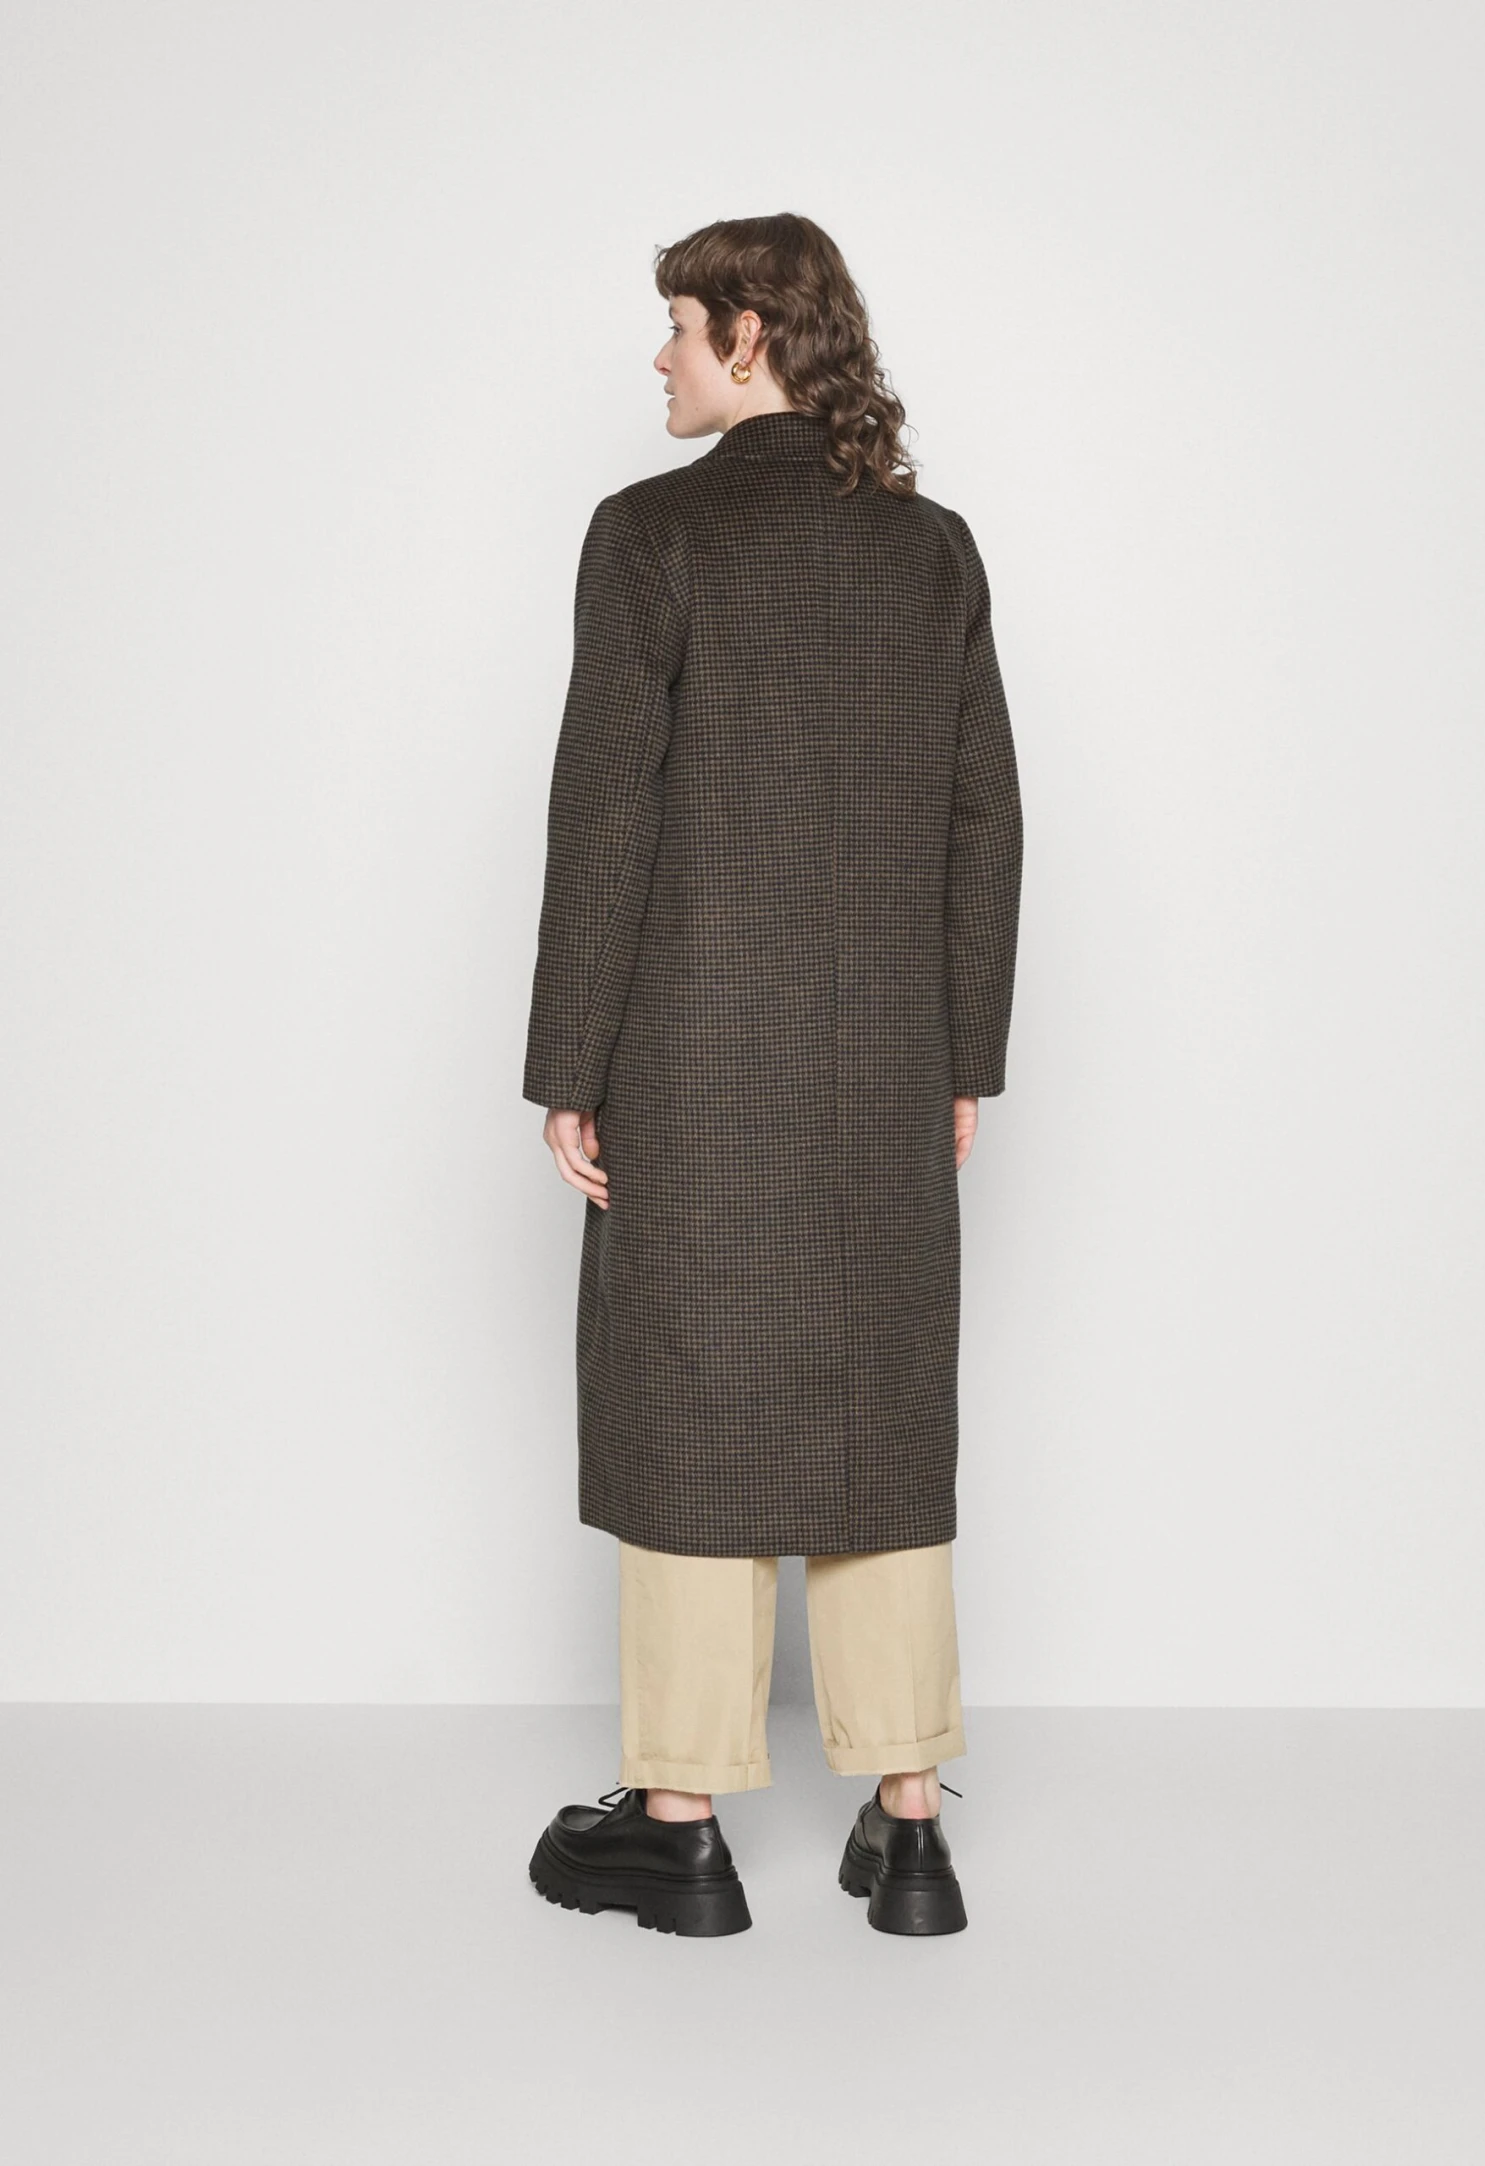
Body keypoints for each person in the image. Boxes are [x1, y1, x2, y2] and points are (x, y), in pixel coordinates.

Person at [520, 212, 1023, 1938]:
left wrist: (569, 1063)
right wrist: (962, 1055)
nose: (658, 357)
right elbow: (985, 817)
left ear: (750, 334)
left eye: (677, 325)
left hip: (691, 1050)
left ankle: (679, 1827)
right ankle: (911, 1822)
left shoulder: (650, 534)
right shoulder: (932, 550)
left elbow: (606, 814)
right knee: (881, 1403)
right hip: (885, 1055)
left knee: (688, 1392)